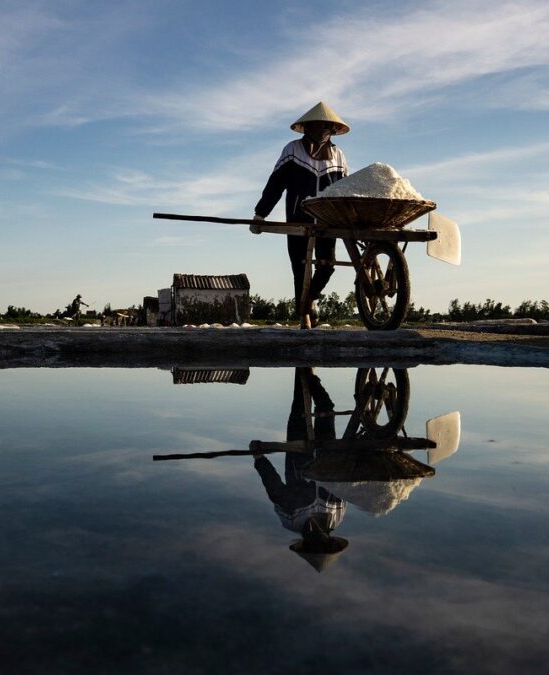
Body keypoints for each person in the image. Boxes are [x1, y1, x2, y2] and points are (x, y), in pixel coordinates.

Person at [253, 102, 349, 328]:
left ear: (332, 130)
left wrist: (347, 216)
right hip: (298, 216)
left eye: (326, 127)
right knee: (300, 267)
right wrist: (260, 214)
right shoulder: (293, 150)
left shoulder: (338, 155)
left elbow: (345, 188)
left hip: (328, 219)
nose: (322, 131)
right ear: (307, 127)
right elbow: (275, 184)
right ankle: (303, 315)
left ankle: (311, 299)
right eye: (317, 126)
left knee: (327, 266)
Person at [253, 367, 348, 571]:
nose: (319, 540)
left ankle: (301, 367)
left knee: (299, 407)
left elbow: (274, 487)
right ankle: (310, 375)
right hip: (327, 451)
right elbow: (344, 483)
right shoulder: (338, 516)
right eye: (325, 544)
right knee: (325, 407)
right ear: (331, 541)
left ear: (305, 544)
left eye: (315, 545)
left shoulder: (292, 519)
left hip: (298, 456)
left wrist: (259, 458)